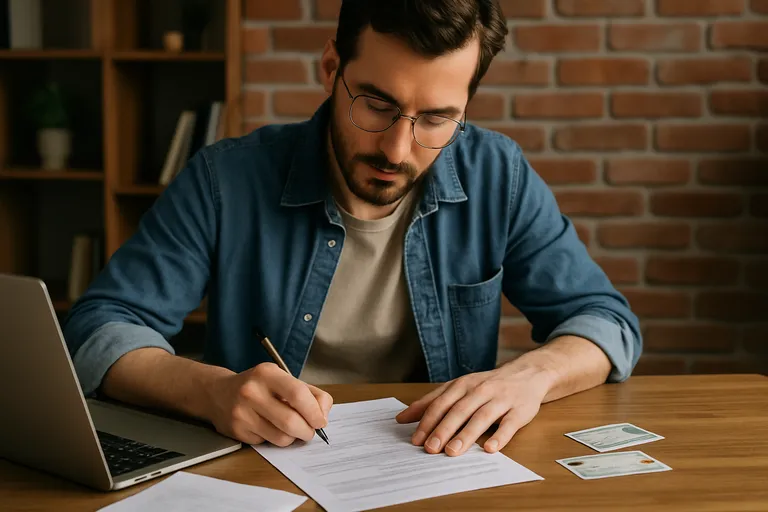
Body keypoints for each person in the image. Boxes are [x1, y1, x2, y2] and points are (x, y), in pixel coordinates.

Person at [63, 0, 641, 458]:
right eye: (376, 104)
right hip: (263, 470)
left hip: (435, 467)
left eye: (436, 119)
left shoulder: (498, 173)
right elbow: (97, 331)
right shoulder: (226, 179)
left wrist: (529, 378)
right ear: (331, 68)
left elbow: (606, 323)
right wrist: (211, 391)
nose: (397, 148)